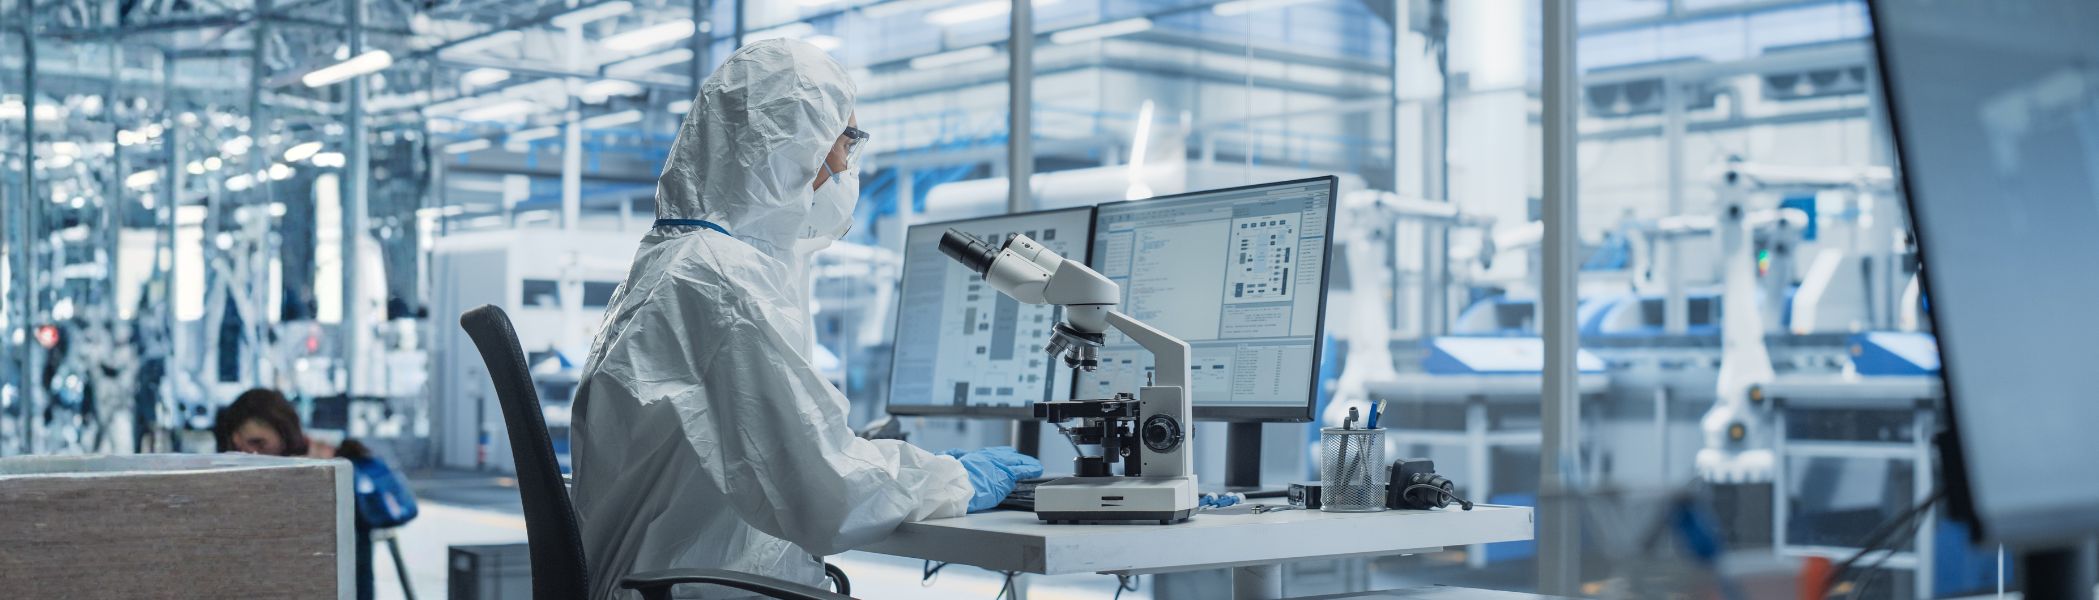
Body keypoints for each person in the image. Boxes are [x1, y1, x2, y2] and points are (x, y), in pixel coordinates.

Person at [570, 38, 1042, 600]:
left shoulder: (678, 260)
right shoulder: (721, 283)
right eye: (844, 139)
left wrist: (919, 469)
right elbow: (830, 494)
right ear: (787, 146)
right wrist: (958, 479)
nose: (845, 163)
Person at [214, 388, 415, 600]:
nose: (249, 454)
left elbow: (395, 508)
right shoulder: (238, 479)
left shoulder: (334, 465)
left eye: (258, 443)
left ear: (285, 434)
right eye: (236, 446)